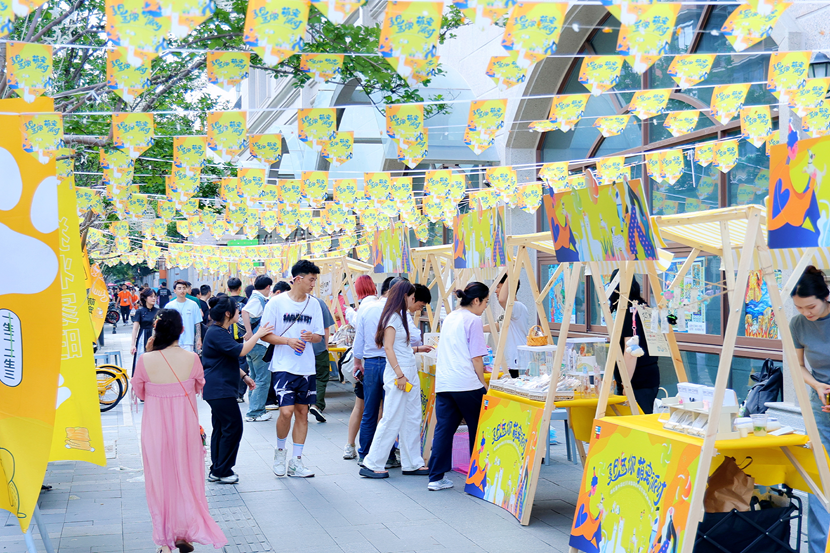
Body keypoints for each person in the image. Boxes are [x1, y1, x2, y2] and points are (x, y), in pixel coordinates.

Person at [131, 309, 227, 552]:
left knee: (161, 482)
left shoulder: (145, 360)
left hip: (155, 431)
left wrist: (151, 353)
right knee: (187, 479)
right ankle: (185, 535)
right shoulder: (192, 358)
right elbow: (198, 387)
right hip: (185, 431)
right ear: (181, 330)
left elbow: (140, 392)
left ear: (156, 331)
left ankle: (166, 541)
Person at [261, 260, 325, 478]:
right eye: (311, 279)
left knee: (302, 413)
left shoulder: (314, 304)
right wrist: (288, 341)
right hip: (283, 366)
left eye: (314, 280)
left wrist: (312, 337)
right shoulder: (276, 303)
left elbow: (319, 335)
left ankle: (296, 461)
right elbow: (265, 335)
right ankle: (280, 452)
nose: (313, 284)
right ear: (298, 279)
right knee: (285, 412)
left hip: (306, 367)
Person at [359, 281, 428, 479]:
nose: (413, 301)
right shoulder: (393, 318)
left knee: (412, 416)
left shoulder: (399, 317)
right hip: (400, 374)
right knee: (392, 417)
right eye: (412, 297)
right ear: (404, 296)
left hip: (406, 371)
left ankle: (412, 462)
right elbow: (387, 347)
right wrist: (399, 374)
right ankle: (372, 462)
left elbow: (398, 347)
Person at [202, 296, 272, 484]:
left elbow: (226, 357)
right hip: (219, 388)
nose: (239, 312)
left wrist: (243, 376)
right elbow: (240, 351)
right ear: (227, 313)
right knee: (233, 427)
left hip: (219, 388)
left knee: (222, 427)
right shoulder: (216, 332)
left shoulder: (219, 331)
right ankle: (223, 470)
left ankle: (217, 469)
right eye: (236, 309)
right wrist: (258, 334)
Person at [427, 283, 490, 491]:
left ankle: (435, 477)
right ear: (476, 301)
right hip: (466, 382)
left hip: (445, 383)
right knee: (478, 428)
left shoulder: (451, 317)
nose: (485, 307)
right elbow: (477, 358)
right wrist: (483, 383)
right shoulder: (473, 320)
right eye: (486, 302)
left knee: (444, 429)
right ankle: (477, 477)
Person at [789, 266, 830, 553]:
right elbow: (798, 366)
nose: (807, 313)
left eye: (811, 306)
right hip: (821, 408)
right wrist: (816, 385)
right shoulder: (797, 325)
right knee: (820, 484)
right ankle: (818, 549)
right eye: (799, 307)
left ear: (825, 297)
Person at [353, 276, 406, 468]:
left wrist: (357, 362)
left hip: (371, 363)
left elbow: (358, 339)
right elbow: (411, 337)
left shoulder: (367, 308)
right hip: (392, 363)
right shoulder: (397, 311)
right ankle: (388, 455)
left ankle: (364, 454)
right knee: (389, 411)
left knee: (370, 410)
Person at [608, 270, 659, 415]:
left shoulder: (627, 311)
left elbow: (630, 352)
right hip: (651, 374)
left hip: (636, 379)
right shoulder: (643, 306)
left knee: (634, 425)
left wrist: (625, 383)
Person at [343, 275, 379, 459]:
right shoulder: (377, 305)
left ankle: (350, 446)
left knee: (360, 406)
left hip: (364, 364)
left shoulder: (363, 306)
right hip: (372, 364)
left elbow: (359, 336)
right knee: (375, 409)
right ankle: (372, 449)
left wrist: (349, 313)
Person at [241, 275, 273, 422]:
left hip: (254, 345)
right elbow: (245, 312)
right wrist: (249, 331)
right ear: (268, 287)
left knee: (254, 378)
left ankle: (254, 410)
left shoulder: (256, 298)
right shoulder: (257, 299)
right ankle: (255, 412)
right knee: (262, 379)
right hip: (259, 344)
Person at [485, 273, 529, 371]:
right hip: (508, 360)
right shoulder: (506, 309)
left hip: (517, 361)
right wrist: (478, 328)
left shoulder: (518, 307)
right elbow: (499, 325)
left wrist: (511, 274)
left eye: (499, 287)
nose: (496, 291)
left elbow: (502, 299)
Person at [264, 280, 292, 411]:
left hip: (272, 345)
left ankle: (269, 400)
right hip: (266, 345)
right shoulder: (272, 304)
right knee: (263, 376)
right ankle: (268, 400)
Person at [309, 295, 336, 423]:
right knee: (321, 377)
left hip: (299, 348)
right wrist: (326, 346)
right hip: (318, 347)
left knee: (303, 377)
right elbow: (326, 328)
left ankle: (302, 407)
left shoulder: (290, 301)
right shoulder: (319, 302)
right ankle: (316, 404)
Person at [166, 280, 202, 353]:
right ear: (174, 291)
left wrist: (198, 338)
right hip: (173, 341)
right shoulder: (169, 306)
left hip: (189, 341)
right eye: (179, 288)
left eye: (184, 288)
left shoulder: (193, 305)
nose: (182, 290)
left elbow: (197, 323)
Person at [130, 287, 158, 375]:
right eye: (151, 296)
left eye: (154, 296)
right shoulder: (140, 311)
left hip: (156, 337)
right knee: (142, 359)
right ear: (145, 298)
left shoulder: (158, 311)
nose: (154, 298)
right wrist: (133, 344)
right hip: (143, 336)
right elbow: (135, 329)